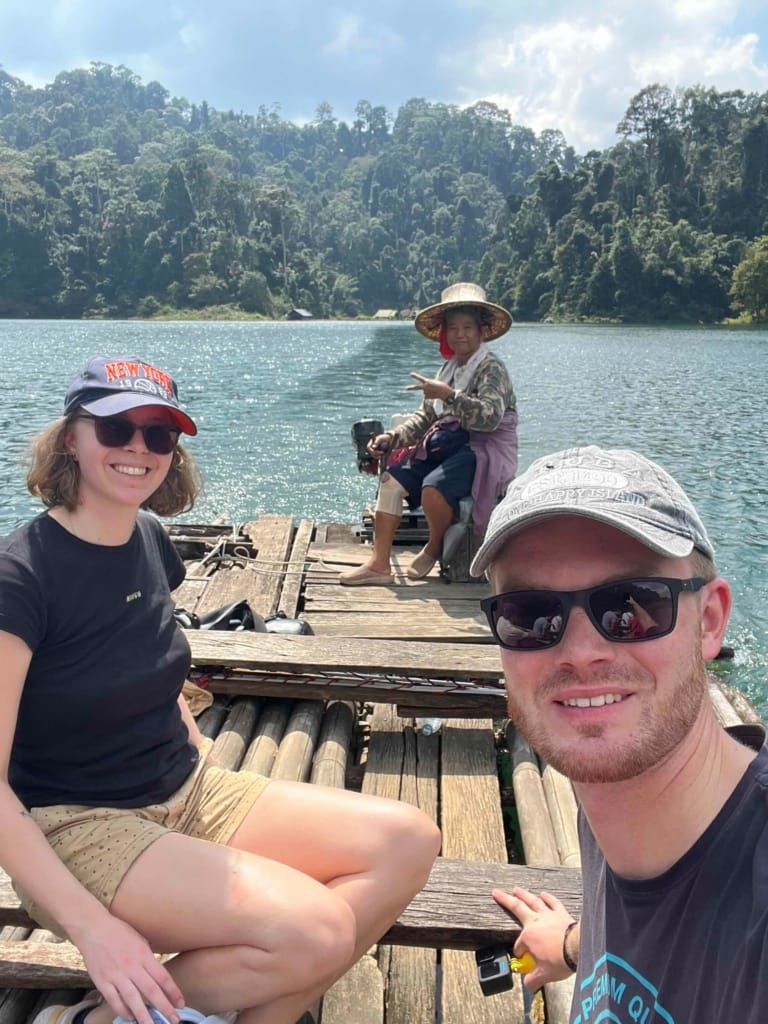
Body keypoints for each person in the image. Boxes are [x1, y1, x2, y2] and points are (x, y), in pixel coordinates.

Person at [0, 355, 441, 1024]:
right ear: (71, 437)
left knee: (409, 841)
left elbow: (145, 643)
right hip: (81, 825)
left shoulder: (148, 536)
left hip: (189, 790)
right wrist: (93, 930)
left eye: (159, 434)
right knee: (316, 931)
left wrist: (179, 718)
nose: (139, 449)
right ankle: (107, 1016)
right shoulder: (21, 577)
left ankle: (190, 1006)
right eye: (116, 429)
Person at [471, 445, 768, 1023]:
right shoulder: (613, 807)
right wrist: (572, 944)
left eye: (631, 607)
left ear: (709, 621)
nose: (580, 654)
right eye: (532, 615)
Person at [339, 282, 518, 586]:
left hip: (481, 448)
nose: (460, 334)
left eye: (468, 327)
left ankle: (433, 547)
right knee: (390, 482)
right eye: (454, 328)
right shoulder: (446, 369)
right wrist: (391, 439)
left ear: (482, 331)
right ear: (445, 333)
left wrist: (449, 396)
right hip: (446, 444)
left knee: (432, 489)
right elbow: (424, 419)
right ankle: (379, 565)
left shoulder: (491, 369)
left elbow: (489, 418)